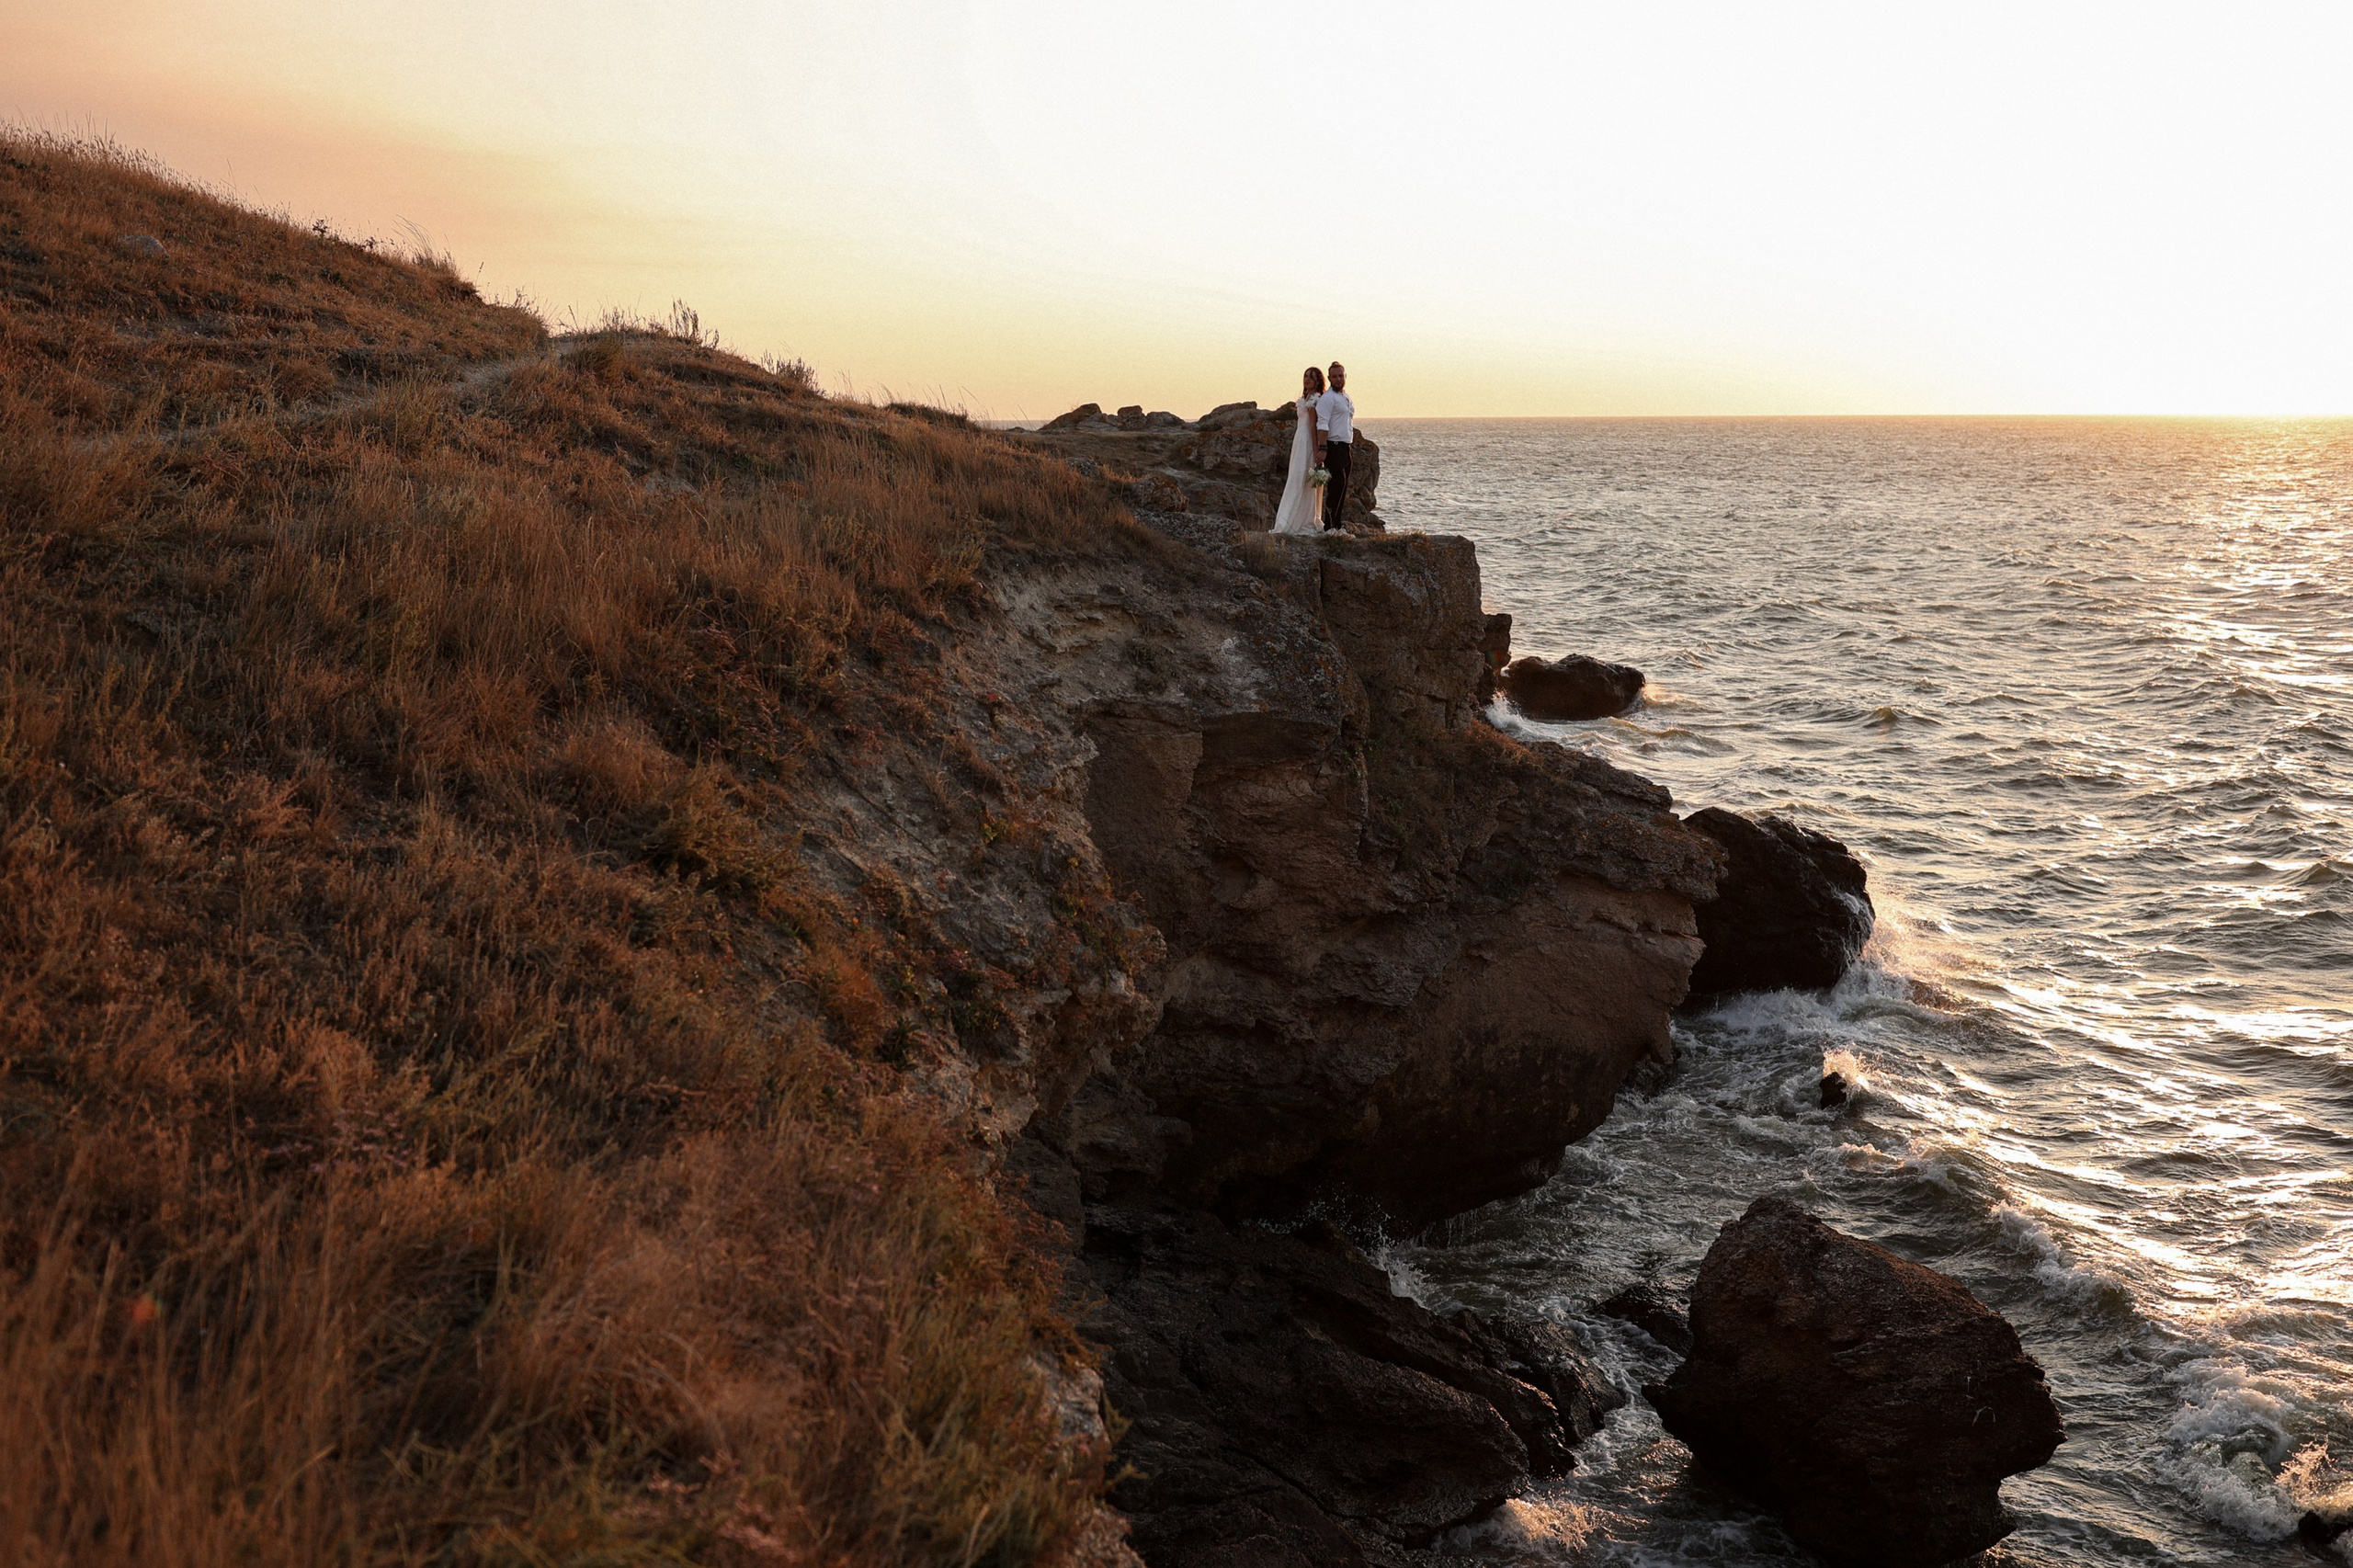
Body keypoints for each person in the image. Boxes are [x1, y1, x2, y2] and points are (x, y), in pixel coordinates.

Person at [1270, 365, 1326, 536]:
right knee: (1296, 476)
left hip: (1307, 441)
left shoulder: (1315, 399)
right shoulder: (1306, 398)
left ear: (1318, 381)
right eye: (1305, 376)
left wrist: (1317, 451)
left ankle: (1299, 520)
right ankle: (1290, 519)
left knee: (1301, 477)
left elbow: (1313, 426)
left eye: (1311, 377)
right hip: (1299, 439)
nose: (1307, 379)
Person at [1313, 362, 1355, 529]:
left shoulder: (1346, 397)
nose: (1338, 379)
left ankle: (1337, 525)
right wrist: (1323, 449)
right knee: (1336, 487)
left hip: (1346, 446)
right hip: (1333, 446)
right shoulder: (1328, 399)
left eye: (1341, 376)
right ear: (1329, 378)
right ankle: (1329, 527)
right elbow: (1322, 424)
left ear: (1345, 376)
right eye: (1335, 376)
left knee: (1343, 487)